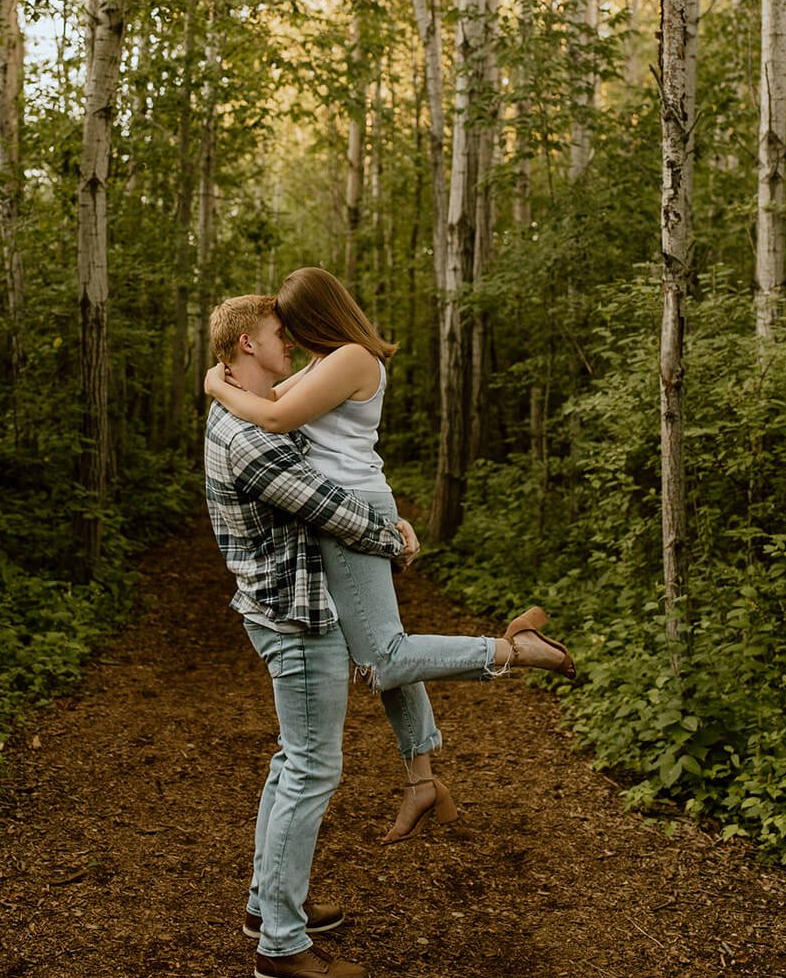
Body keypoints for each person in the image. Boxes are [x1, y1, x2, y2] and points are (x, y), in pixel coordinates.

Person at [204, 266, 576, 843]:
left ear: (315, 314)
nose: (290, 336)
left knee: (383, 657)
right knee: (383, 650)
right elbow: (270, 398)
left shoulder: (352, 357)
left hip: (345, 507)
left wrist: (215, 386)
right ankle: (420, 779)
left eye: (293, 323)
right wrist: (235, 386)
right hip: (339, 504)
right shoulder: (326, 360)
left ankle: (514, 650)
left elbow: (274, 416)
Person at [204, 293, 420, 978]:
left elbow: (299, 412)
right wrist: (396, 538)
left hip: (289, 604)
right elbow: (327, 508)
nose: (289, 343)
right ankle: (281, 944)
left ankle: (268, 905)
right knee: (309, 771)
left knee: (292, 762)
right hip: (293, 615)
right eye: (276, 335)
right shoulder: (251, 435)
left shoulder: (246, 402)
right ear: (244, 346)